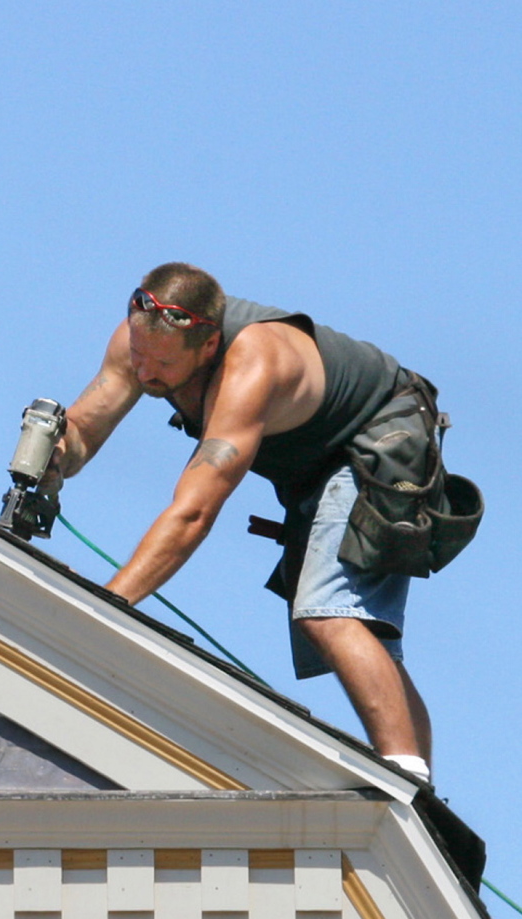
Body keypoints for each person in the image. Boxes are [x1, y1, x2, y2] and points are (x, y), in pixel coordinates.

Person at [45, 261, 433, 783]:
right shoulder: (140, 333)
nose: (143, 372)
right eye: (138, 355)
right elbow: (86, 427)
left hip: (380, 435)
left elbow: (195, 510)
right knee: (353, 635)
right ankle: (418, 775)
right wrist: (50, 457)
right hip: (310, 464)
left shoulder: (251, 364)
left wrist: (107, 606)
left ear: (207, 348)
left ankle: (408, 779)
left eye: (160, 363)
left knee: (327, 612)